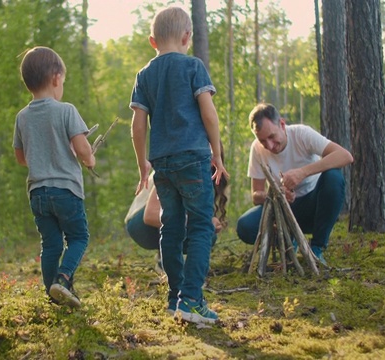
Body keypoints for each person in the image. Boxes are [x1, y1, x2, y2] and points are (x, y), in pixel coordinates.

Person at [129, 6, 229, 325]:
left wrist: (143, 165)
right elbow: (209, 114)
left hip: (162, 162)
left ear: (151, 41)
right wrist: (217, 154)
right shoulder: (193, 66)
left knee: (171, 227)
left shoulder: (145, 75)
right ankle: (193, 301)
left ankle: (174, 299)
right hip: (193, 156)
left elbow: (137, 125)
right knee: (200, 225)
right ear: (187, 36)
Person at [13, 46, 96, 308]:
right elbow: (82, 148)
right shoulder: (66, 110)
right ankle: (63, 278)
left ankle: (52, 295)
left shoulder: (22, 117)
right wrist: (89, 159)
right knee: (79, 237)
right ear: (56, 78)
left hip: (37, 193)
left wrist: (45, 155)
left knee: (50, 244)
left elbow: (21, 157)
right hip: (66, 191)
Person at [236, 103, 353, 266]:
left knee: (333, 177)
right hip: (282, 209)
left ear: (282, 125)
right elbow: (256, 195)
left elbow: (345, 156)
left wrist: (303, 172)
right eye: (263, 141)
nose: (269, 146)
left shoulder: (302, 134)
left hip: (313, 205)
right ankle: (288, 241)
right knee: (245, 226)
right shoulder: (257, 149)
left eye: (271, 137)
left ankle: (317, 248)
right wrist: (277, 195)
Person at [124, 163, 229, 277]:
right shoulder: (176, 163)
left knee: (208, 232)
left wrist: (211, 222)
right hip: (140, 225)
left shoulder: (212, 174)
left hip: (168, 220)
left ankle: (182, 263)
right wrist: (198, 222)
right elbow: (150, 215)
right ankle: (168, 260)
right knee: (197, 224)